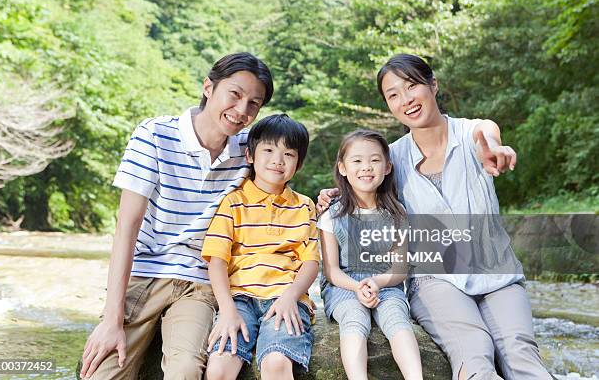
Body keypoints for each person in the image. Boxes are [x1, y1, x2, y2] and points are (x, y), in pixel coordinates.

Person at [317, 54, 552, 379]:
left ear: (433, 85)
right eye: (393, 95)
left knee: (520, 352)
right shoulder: (394, 157)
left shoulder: (471, 135)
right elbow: (362, 179)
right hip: (434, 279)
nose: (405, 100)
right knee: (474, 353)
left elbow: (487, 129)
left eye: (412, 86)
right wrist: (334, 194)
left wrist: (494, 145)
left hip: (497, 275)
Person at [80, 52, 273, 380]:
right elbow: (127, 226)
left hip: (198, 283)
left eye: (254, 103)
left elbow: (281, 185)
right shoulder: (154, 134)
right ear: (209, 87)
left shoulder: (248, 152)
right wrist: (111, 320)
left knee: (185, 371)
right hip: (144, 276)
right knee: (101, 372)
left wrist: (331, 196)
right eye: (235, 95)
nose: (242, 110)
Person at [201, 114, 320, 380]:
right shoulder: (233, 202)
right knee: (219, 367)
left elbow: (311, 262)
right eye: (268, 150)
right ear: (250, 155)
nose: (278, 160)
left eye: (288, 154)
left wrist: (291, 296)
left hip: (285, 297)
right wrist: (227, 311)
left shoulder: (304, 205)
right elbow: (217, 261)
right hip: (239, 298)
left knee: (276, 362)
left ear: (298, 164)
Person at [319, 129, 423, 380]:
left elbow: (400, 269)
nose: (366, 167)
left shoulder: (398, 213)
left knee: (397, 318)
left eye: (374, 160)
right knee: (354, 317)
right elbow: (331, 270)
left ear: (387, 167)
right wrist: (357, 287)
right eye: (357, 161)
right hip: (344, 285)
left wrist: (376, 282)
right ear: (342, 168)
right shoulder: (331, 214)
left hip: (386, 283)